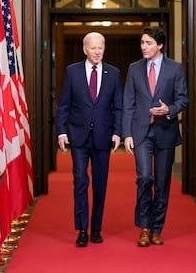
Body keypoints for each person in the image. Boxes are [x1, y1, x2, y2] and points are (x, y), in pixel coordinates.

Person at [122, 26, 189, 247]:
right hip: (141, 133)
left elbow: (183, 99)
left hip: (165, 132)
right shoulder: (134, 68)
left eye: (148, 43)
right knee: (144, 179)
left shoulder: (175, 68)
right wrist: (127, 134)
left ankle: (157, 229)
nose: (144, 47)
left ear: (160, 45)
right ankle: (144, 227)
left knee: (161, 183)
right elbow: (128, 103)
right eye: (142, 43)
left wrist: (168, 110)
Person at [55, 31, 122, 247]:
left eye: (100, 47)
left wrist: (117, 132)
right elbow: (64, 104)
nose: (97, 51)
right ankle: (82, 230)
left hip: (103, 137)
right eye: (93, 47)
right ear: (85, 49)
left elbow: (118, 107)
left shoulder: (114, 73)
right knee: (81, 182)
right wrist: (62, 132)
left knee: (100, 185)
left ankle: (96, 229)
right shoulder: (72, 72)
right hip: (78, 137)